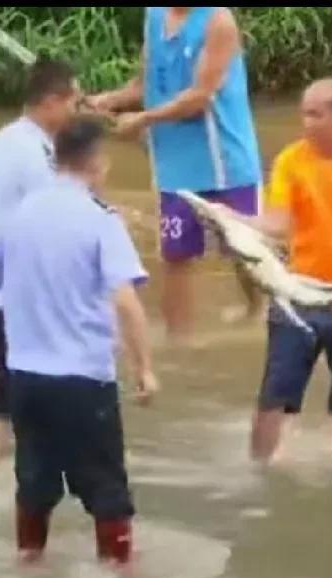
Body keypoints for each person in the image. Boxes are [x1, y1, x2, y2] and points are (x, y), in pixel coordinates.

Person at [0, 115, 158, 566]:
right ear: (98, 163)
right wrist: (144, 368)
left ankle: (28, 566)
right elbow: (125, 302)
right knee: (107, 491)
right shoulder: (100, 220)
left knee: (34, 484)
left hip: (26, 378)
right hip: (85, 380)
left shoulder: (19, 216)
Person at [216, 79, 332, 468]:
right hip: (297, 292)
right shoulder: (291, 160)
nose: (306, 123)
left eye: (316, 115)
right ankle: (259, 475)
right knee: (273, 398)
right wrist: (230, 220)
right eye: (304, 113)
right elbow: (276, 222)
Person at [86, 6, 264, 342]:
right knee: (176, 255)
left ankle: (257, 311)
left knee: (245, 252)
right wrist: (108, 100)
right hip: (174, 164)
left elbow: (200, 97)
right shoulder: (154, 17)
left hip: (224, 161)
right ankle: (178, 340)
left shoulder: (218, 21)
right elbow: (146, 85)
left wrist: (142, 120)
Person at [0, 58, 81, 492]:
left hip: (1, 298)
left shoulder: (11, 140)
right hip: (16, 305)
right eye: (73, 101)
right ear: (51, 102)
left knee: (5, 412)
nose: (76, 110)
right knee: (6, 414)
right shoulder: (31, 153)